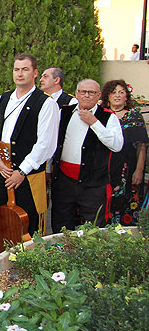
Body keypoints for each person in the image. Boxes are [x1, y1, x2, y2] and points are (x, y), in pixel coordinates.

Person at [0, 53, 59, 271]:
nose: (19, 74)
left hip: (27, 175)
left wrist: (22, 171)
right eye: (16, 69)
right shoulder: (4, 98)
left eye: (25, 69)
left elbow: (46, 144)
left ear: (35, 73)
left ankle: (27, 263)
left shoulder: (45, 103)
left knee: (27, 218)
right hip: (1, 169)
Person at [50, 79, 123, 232]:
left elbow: (117, 145)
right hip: (64, 180)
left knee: (95, 226)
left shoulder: (108, 117)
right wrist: (48, 171)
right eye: (83, 92)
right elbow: (52, 142)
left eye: (91, 92)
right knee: (61, 223)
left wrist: (94, 123)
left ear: (98, 96)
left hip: (94, 183)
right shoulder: (63, 112)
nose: (87, 96)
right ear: (77, 94)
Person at [100, 80, 146, 226]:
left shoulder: (134, 115)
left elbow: (142, 146)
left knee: (127, 206)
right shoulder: (101, 115)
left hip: (128, 168)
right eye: (113, 92)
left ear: (127, 96)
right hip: (104, 169)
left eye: (121, 92)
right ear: (107, 96)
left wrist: (139, 170)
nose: (117, 95)